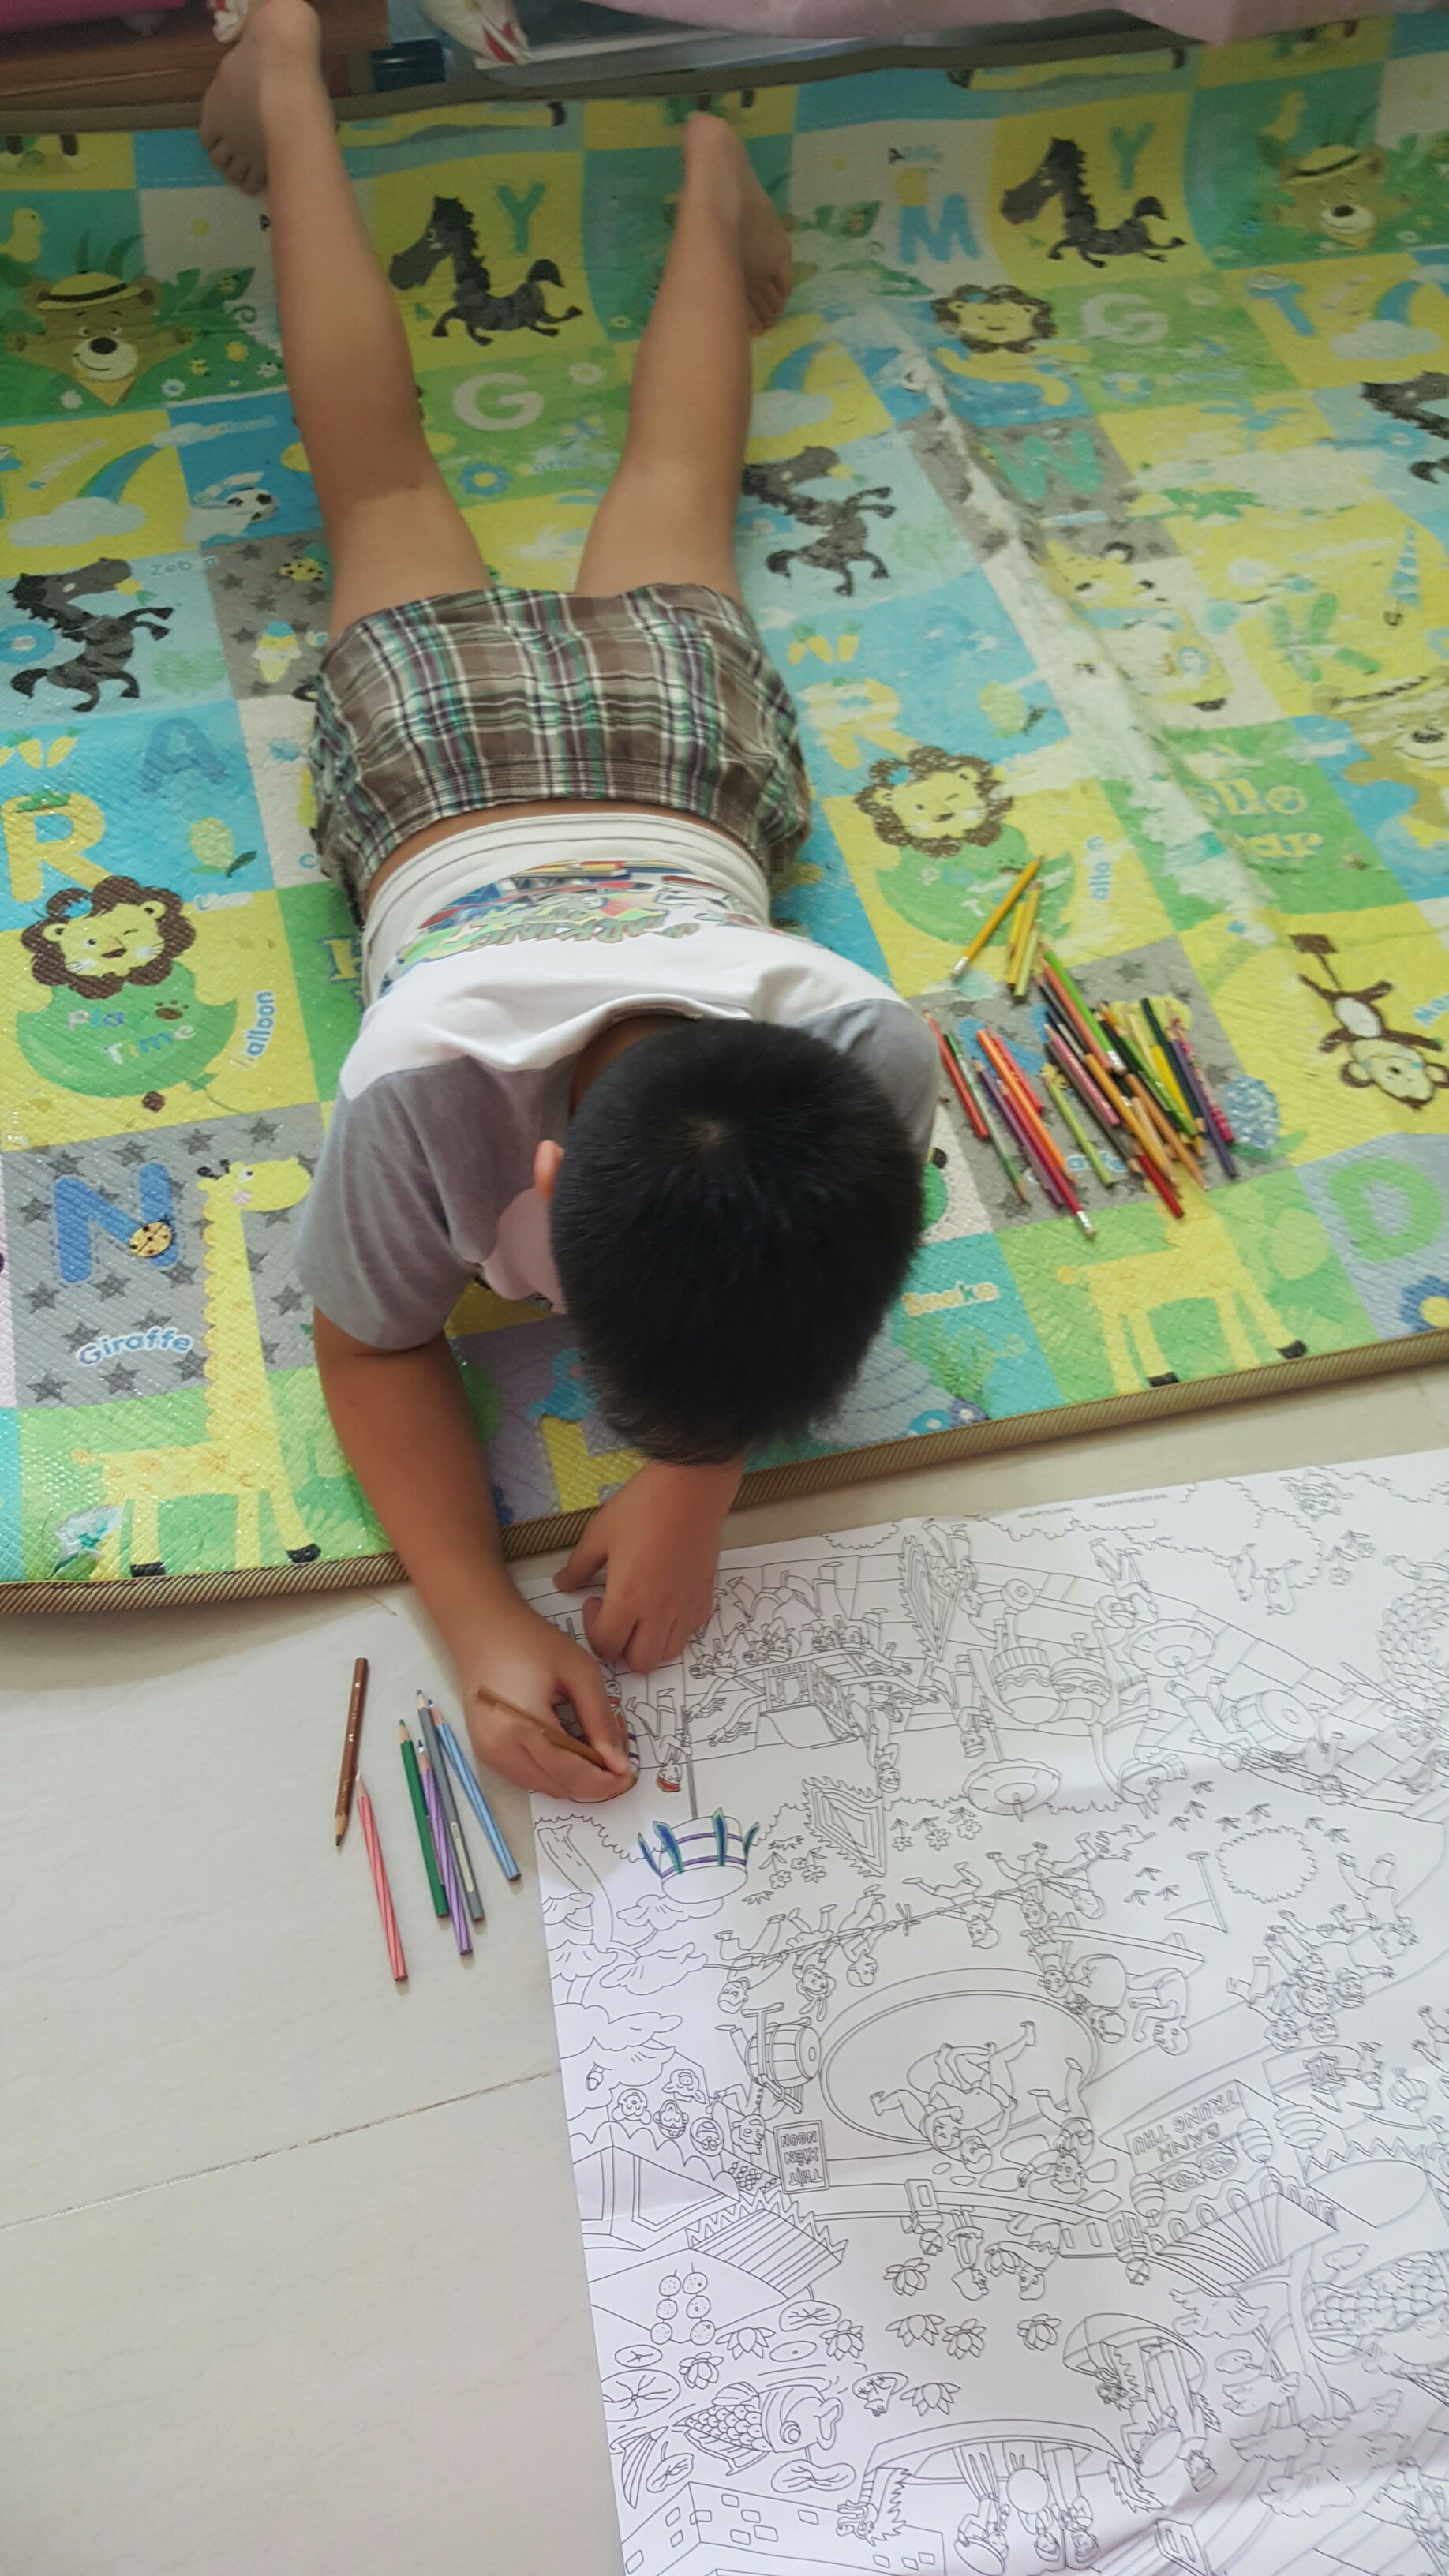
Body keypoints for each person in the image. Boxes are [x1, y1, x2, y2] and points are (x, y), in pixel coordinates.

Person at [199, 0, 937, 1801]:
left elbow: (390, 1331)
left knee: (466, 480)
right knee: (419, 478)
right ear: (527, 1191)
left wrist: (693, 1479)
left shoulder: (869, 1047)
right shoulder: (420, 1090)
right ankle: (346, 91)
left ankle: (375, 111)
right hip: (461, 780)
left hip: (662, 764)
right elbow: (369, 1340)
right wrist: (472, 1613)